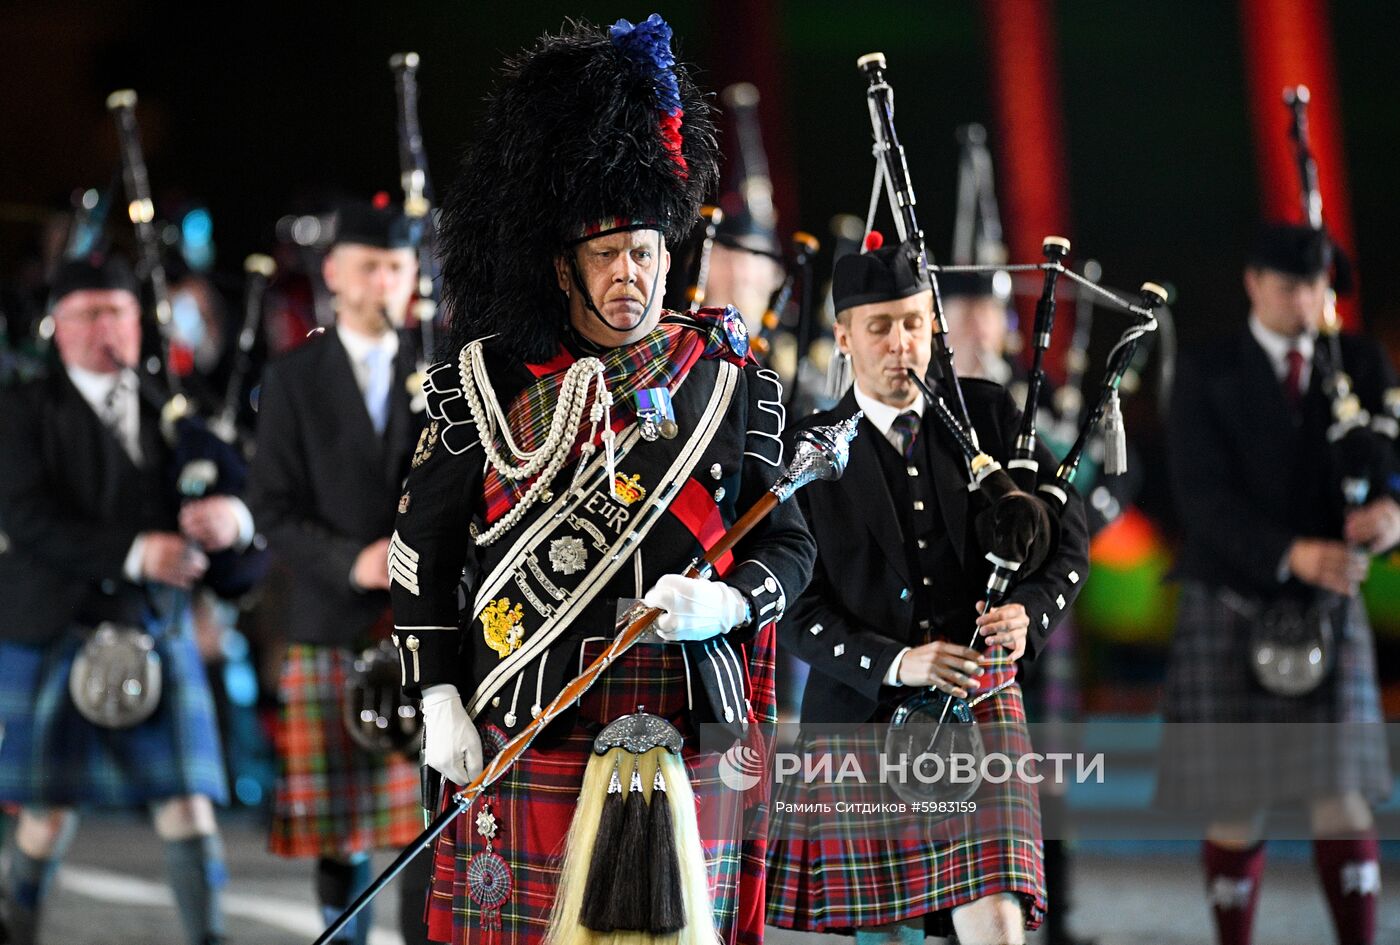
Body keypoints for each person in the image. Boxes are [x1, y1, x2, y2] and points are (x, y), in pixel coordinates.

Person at [385, 15, 814, 945]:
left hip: (684, 704)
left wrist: (730, 606)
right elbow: (421, 547)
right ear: (564, 268)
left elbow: (789, 544)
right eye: (608, 255)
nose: (632, 276)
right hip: (526, 710)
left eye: (647, 253)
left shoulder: (733, 383)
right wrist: (436, 691)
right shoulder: (487, 383)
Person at [765, 240, 1090, 945]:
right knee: (891, 933)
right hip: (861, 714)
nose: (900, 343)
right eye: (879, 327)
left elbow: (1066, 540)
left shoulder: (989, 417)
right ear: (844, 336)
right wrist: (896, 661)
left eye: (913, 323)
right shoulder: (807, 451)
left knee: (998, 923)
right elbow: (794, 608)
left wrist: (1028, 614)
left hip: (979, 701)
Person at [0, 256, 265, 945]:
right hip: (57, 622)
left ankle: (210, 937)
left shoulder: (171, 405)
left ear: (138, 323)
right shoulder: (21, 408)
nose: (105, 328)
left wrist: (233, 517)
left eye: (117, 312)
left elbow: (244, 481)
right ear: (57, 327)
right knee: (47, 810)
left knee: (189, 802)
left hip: (152, 623)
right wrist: (136, 551)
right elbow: (26, 517)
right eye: (88, 313)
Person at [1156, 222, 1394, 945]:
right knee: (1237, 799)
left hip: (1326, 605)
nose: (1305, 300)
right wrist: (1290, 553)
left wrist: (1391, 512)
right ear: (1253, 283)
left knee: (1343, 801)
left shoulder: (1357, 362)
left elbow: (1389, 459)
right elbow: (1199, 497)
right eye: (1289, 285)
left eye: (1317, 285)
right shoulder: (1208, 370)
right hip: (1234, 595)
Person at [248, 198, 430, 945]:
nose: (384, 281)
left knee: (433, 820)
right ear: (334, 273)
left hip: (428, 627)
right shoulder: (293, 379)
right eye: (369, 266)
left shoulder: (445, 373)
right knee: (343, 834)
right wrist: (350, 561)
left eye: (396, 267)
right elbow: (273, 509)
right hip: (331, 620)